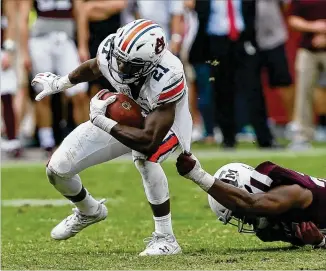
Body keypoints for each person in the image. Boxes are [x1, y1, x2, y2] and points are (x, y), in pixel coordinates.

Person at [31, 19, 192, 256]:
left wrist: (103, 121)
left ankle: (166, 238)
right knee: (57, 169)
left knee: (145, 158)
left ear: (150, 64)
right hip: (127, 117)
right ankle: (89, 210)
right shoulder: (113, 49)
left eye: (129, 65)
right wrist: (60, 83)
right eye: (119, 58)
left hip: (166, 126)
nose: (119, 66)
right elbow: (95, 66)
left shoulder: (168, 76)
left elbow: (148, 140)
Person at [176, 153, 326, 248]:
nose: (245, 221)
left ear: (249, 190)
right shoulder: (268, 230)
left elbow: (250, 204)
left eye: (239, 213)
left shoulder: (292, 192)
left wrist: (197, 175)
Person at [20, 0, 89, 156]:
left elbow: (80, 13)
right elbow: (24, 18)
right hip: (40, 40)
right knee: (43, 92)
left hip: (66, 39)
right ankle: (47, 142)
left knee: (79, 92)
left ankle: (85, 140)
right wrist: (24, 52)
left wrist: (82, 45)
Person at [288, 0, 326, 150]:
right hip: (308, 48)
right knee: (303, 92)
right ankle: (302, 136)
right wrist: (315, 27)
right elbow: (293, 19)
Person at [77, 0, 127, 98]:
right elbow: (79, 12)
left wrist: (91, 6)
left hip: (114, 44)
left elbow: (120, 4)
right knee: (91, 89)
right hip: (91, 42)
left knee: (114, 90)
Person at [1, 0, 22, 157]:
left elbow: (12, 23)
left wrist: (8, 51)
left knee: (7, 95)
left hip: (2, 53)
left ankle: (12, 139)